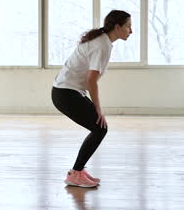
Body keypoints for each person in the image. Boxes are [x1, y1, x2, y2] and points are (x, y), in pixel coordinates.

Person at [51, 10, 132, 188]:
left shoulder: (104, 41)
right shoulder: (102, 44)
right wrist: (98, 109)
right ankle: (75, 174)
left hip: (68, 92)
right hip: (65, 93)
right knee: (100, 128)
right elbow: (91, 80)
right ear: (117, 27)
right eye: (128, 26)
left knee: (99, 128)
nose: (131, 31)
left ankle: (78, 171)